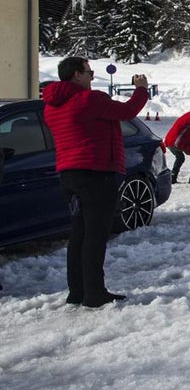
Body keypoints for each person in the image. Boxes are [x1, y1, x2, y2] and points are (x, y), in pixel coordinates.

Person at [41, 57, 149, 308]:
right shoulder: (89, 99)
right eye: (89, 72)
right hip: (96, 172)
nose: (92, 77)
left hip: (69, 175)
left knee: (79, 233)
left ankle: (76, 292)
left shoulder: (51, 105)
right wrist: (141, 89)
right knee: (96, 235)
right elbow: (126, 112)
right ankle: (94, 293)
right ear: (77, 75)